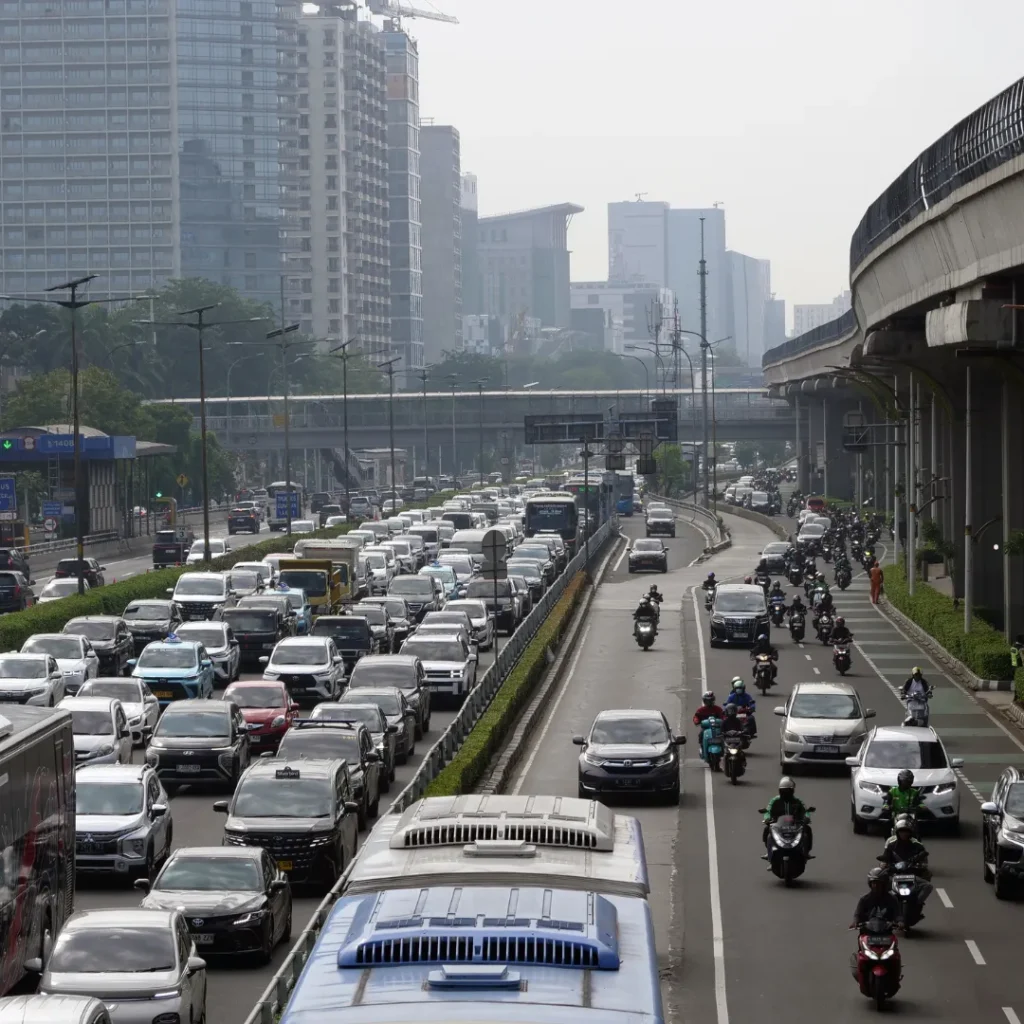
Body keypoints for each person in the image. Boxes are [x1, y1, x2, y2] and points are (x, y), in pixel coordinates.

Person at [877, 816, 932, 921]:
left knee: (928, 886)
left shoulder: (917, 846)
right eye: (902, 831)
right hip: (895, 875)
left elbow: (924, 862)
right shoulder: (891, 845)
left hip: (912, 875)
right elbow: (885, 859)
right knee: (878, 882)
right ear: (897, 832)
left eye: (906, 831)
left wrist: (919, 865)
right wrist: (884, 865)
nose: (904, 834)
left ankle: (916, 905)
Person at [762, 776, 813, 857]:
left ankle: (806, 852)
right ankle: (769, 853)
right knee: (767, 831)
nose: (786, 793)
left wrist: (806, 817)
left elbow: (805, 810)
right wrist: (767, 818)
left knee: (807, 830)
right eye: (783, 790)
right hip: (778, 825)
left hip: (794, 825)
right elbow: (768, 810)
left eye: (788, 790)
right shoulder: (775, 801)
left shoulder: (797, 801)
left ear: (792, 791)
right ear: (780, 791)